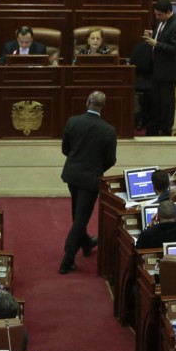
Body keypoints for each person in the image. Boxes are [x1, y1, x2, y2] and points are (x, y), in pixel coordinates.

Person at [59, 90, 117, 274]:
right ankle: (67, 260)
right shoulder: (108, 130)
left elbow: (65, 149)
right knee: (80, 218)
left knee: (78, 215)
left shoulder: (73, 122)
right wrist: (96, 169)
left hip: (72, 175)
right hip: (90, 179)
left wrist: (77, 162)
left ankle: (86, 244)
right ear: (103, 106)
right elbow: (111, 159)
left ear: (87, 102)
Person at [142, 0, 176, 136]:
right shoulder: (161, 21)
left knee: (167, 103)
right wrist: (152, 35)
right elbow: (160, 37)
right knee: (156, 101)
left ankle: (166, 130)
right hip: (157, 69)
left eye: (159, 15)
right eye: (156, 14)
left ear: (168, 12)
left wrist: (156, 43)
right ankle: (154, 128)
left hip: (168, 72)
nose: (157, 17)